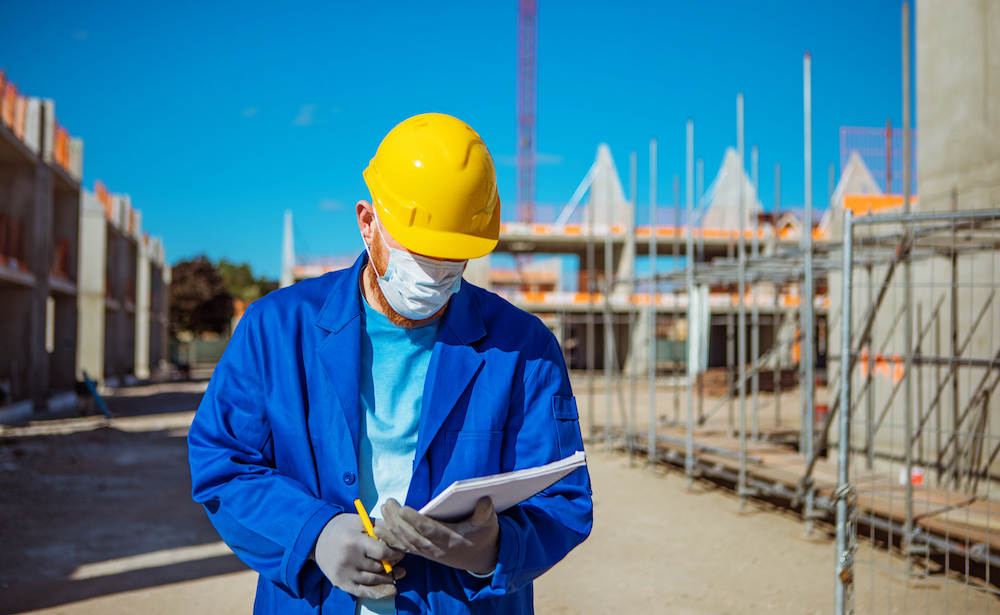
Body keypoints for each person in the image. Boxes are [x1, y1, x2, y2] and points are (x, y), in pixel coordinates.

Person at [188, 113, 592, 615]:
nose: (433, 273)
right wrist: (314, 533)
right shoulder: (275, 330)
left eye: (452, 256)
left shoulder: (524, 349)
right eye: (417, 250)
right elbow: (222, 463)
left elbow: (563, 497)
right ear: (367, 222)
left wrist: (493, 548)